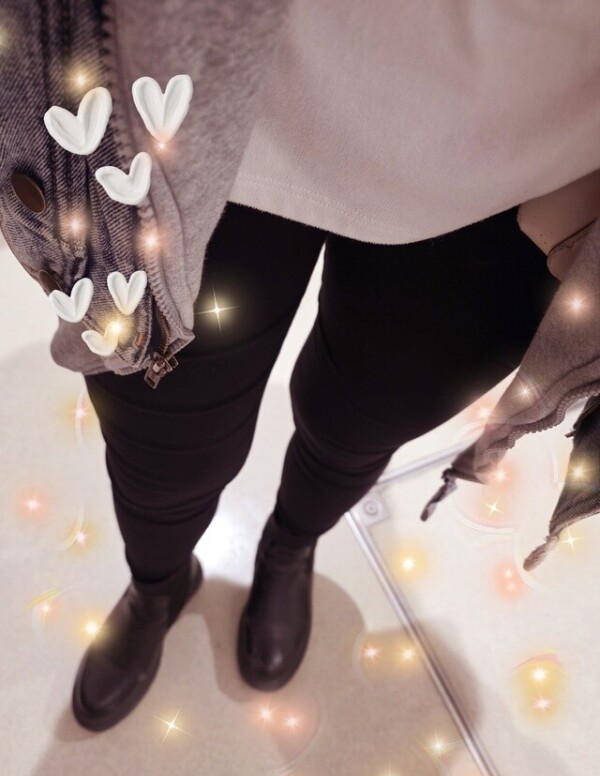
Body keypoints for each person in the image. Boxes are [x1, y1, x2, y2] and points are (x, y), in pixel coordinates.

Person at [69, 0, 600, 732]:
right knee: (162, 439)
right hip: (197, 102)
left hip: (531, 167)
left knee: (360, 421)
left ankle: (289, 546)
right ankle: (156, 584)